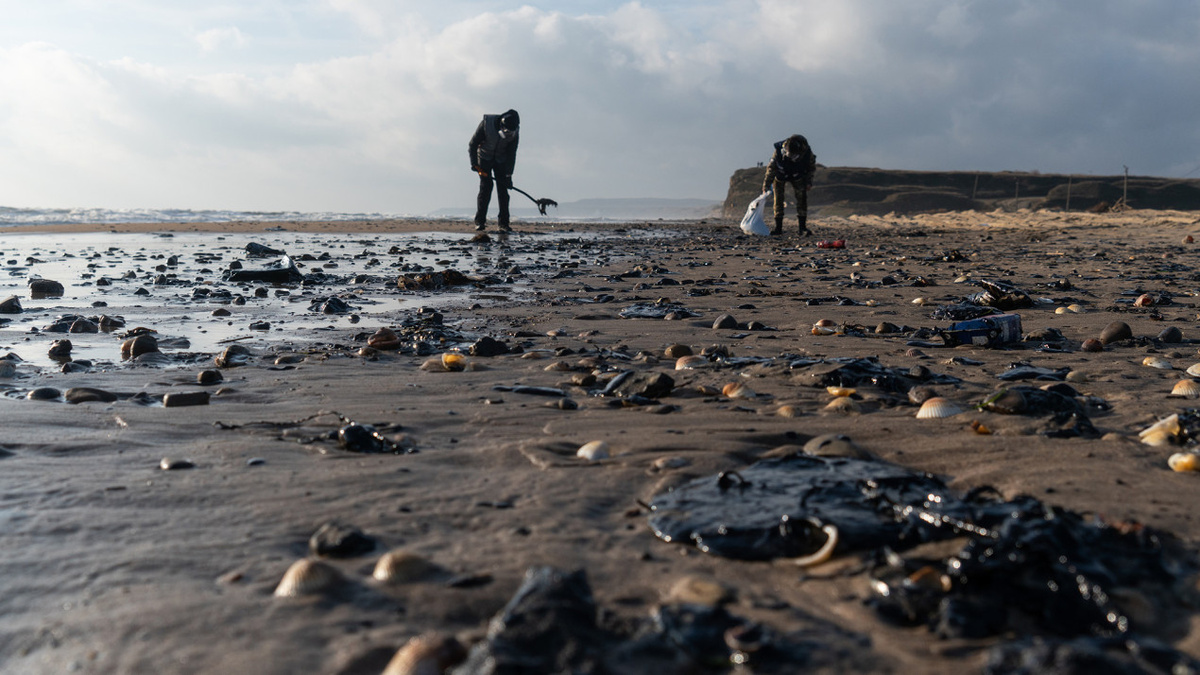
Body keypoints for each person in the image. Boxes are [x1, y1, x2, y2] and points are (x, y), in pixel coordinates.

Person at [469, 109, 520, 232]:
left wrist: (509, 175)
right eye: (506, 131)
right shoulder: (486, 125)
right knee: (486, 188)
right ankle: (480, 222)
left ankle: (503, 223)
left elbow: (512, 154)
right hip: (484, 158)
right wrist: (475, 164)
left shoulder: (515, 132)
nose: (509, 134)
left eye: (511, 132)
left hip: (501, 160)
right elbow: (473, 144)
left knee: (503, 191)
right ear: (502, 126)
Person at [762, 134, 817, 236]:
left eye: (794, 156)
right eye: (789, 155)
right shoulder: (778, 151)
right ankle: (778, 228)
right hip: (780, 175)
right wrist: (766, 184)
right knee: (778, 199)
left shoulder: (807, 153)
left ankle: (802, 228)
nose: (792, 158)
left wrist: (809, 182)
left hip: (798, 175)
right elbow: (771, 168)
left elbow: (811, 168)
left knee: (802, 198)